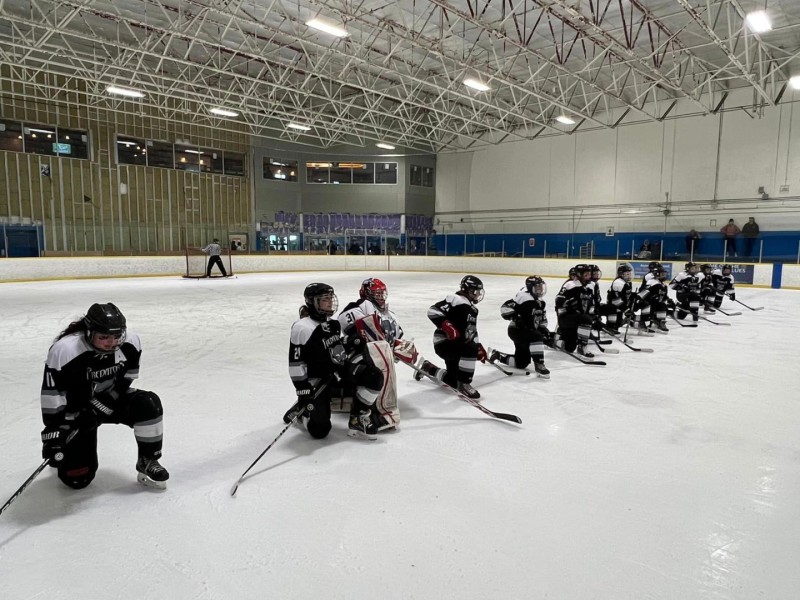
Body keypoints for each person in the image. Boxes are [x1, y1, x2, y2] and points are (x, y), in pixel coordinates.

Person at [40, 303, 168, 490]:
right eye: (104, 337)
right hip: (77, 411)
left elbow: (127, 377)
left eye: (117, 336)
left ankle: (147, 460)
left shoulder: (131, 343)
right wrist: (54, 436)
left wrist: (106, 402)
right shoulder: (65, 351)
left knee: (148, 403)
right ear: (89, 332)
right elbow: (53, 396)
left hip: (109, 399)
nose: (112, 342)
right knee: (78, 480)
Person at [283, 283, 383, 440]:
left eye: (331, 298)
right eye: (325, 299)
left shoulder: (333, 323)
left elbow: (332, 347)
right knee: (320, 431)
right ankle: (303, 413)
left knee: (374, 375)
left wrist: (349, 341)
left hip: (339, 373)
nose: (330, 302)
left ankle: (358, 417)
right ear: (313, 302)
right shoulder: (302, 328)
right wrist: (303, 390)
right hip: (318, 381)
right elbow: (296, 363)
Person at [337, 278, 417, 431]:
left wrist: (403, 348)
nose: (380, 297)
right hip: (357, 355)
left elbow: (394, 340)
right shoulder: (361, 306)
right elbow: (346, 323)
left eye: (382, 294)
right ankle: (380, 412)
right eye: (376, 294)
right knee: (377, 370)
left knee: (382, 367)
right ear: (367, 294)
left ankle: (375, 406)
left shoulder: (391, 316)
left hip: (379, 356)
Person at [418, 275, 487, 399]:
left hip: (457, 345)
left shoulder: (473, 310)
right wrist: (448, 327)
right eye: (476, 292)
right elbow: (433, 311)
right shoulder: (456, 299)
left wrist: (478, 346)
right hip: (445, 343)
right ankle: (465, 385)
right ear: (468, 290)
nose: (478, 295)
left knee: (453, 380)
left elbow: (471, 331)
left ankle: (428, 368)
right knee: (470, 350)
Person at [489, 275, 550, 378]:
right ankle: (539, 364)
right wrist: (516, 317)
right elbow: (505, 309)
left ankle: (498, 355)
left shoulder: (541, 302)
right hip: (517, 330)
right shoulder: (523, 297)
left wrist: (544, 330)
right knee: (536, 336)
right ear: (531, 288)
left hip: (527, 331)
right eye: (537, 287)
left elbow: (541, 319)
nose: (540, 289)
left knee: (522, 362)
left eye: (541, 287)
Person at [554, 264, 595, 356]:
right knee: (570, 347)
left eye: (589, 274)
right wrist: (568, 304)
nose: (588, 276)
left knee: (570, 347)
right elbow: (558, 301)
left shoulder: (590, 287)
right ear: (579, 274)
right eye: (586, 274)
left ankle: (578, 345)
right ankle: (558, 338)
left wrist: (594, 317)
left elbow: (590, 305)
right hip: (567, 318)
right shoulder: (570, 285)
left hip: (579, 318)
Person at [603, 263, 634, 334]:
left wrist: (633, 296)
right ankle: (609, 327)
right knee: (614, 313)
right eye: (627, 274)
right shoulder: (618, 283)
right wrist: (626, 309)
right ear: (621, 274)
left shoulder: (627, 283)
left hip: (620, 305)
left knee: (618, 323)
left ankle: (618, 324)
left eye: (629, 274)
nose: (629, 275)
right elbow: (615, 300)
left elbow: (625, 296)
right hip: (613, 306)